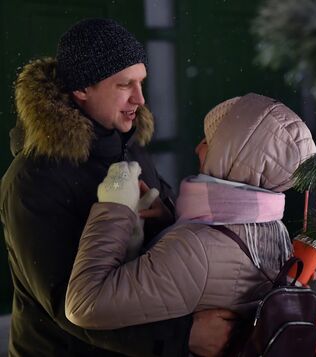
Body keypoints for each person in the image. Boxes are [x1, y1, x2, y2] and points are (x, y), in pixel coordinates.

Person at [0, 18, 231, 357]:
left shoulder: (127, 143)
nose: (140, 98)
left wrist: (164, 219)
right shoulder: (33, 180)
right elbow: (70, 305)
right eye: (125, 85)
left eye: (141, 82)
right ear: (81, 89)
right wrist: (182, 338)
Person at [63, 94, 316, 332]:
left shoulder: (195, 250)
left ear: (233, 160)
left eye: (209, 143)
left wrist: (115, 206)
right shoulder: (276, 233)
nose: (198, 148)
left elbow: (85, 304)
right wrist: (170, 225)